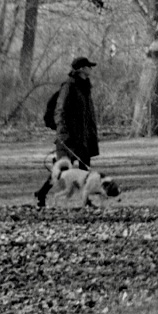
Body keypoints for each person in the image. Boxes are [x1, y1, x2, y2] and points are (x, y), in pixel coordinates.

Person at [34, 55, 100, 208]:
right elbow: (60, 111)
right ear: (82, 69)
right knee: (61, 170)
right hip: (68, 138)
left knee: (84, 170)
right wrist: (63, 134)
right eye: (89, 66)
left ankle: (86, 200)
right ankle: (42, 194)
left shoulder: (84, 86)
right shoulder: (69, 86)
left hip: (82, 137)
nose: (91, 69)